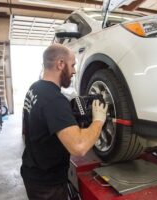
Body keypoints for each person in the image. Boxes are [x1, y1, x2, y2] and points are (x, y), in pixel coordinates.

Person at [21, 43, 108, 200]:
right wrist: (98, 121)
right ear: (60, 64)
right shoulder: (54, 100)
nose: (74, 71)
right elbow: (79, 147)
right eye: (73, 65)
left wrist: (69, 120)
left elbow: (39, 124)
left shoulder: (35, 88)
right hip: (47, 184)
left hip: (33, 170)